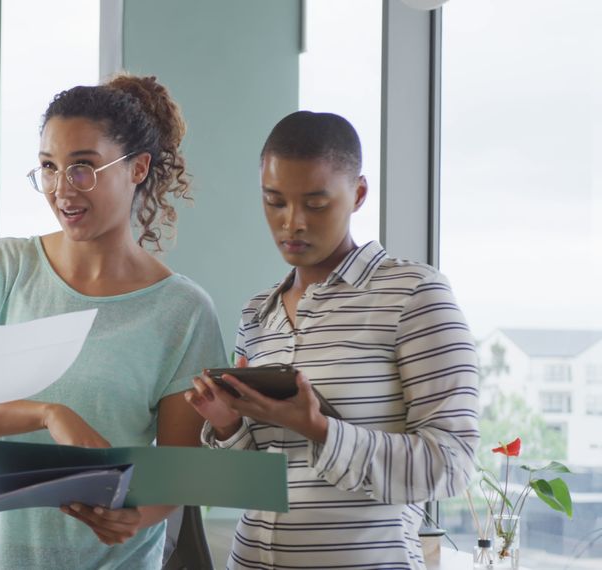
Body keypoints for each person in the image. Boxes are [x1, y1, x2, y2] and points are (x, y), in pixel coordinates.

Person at [0, 75, 228, 569]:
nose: (62, 189)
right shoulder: (5, 268)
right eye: (48, 168)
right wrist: (48, 414)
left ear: (137, 169)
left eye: (83, 168)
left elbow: (179, 470)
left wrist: (137, 515)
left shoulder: (182, 310)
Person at [186, 111, 480, 569]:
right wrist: (227, 425)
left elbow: (451, 465)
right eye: (274, 201)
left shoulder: (415, 295)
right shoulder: (256, 313)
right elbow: (259, 481)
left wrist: (320, 429)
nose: (292, 223)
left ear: (358, 194)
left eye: (316, 204)